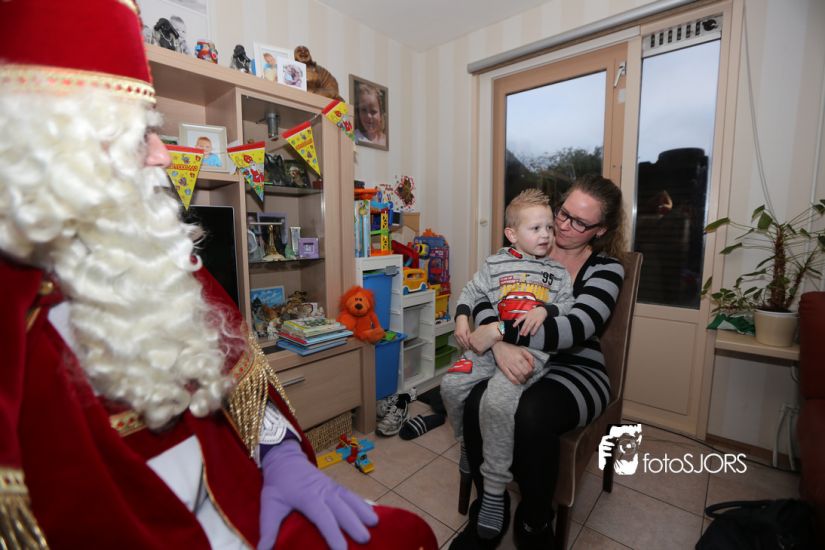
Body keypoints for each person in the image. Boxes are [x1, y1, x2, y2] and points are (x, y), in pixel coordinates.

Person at [0, 1, 437, 549]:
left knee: (410, 535)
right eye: (137, 137)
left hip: (236, 496)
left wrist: (282, 456)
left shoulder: (153, 261)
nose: (162, 155)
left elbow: (243, 379)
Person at [451, 175, 627, 549]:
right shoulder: (526, 245)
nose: (562, 225)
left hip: (578, 367)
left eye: (579, 222)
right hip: (510, 354)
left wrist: (500, 333)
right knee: (476, 399)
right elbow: (486, 297)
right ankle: (490, 506)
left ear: (600, 230)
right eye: (563, 213)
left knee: (532, 413)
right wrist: (497, 344)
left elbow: (576, 327)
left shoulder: (606, 268)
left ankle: (534, 520)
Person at [440, 189, 574, 541]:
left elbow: (569, 306)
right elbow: (472, 291)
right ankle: (467, 444)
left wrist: (547, 310)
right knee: (451, 385)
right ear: (512, 233)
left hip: (530, 355)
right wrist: (461, 317)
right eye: (536, 228)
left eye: (549, 227)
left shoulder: (557, 272)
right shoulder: (495, 263)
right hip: (490, 349)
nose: (546, 234)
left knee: (496, 404)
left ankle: (494, 493)